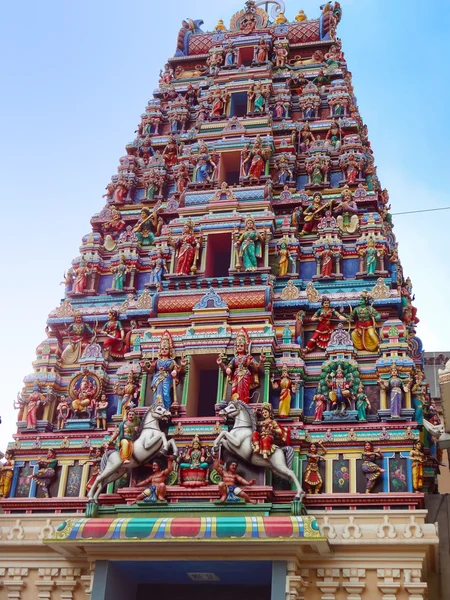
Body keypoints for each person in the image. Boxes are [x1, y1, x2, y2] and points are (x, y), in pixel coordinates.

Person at [140, 331, 186, 410]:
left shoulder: (172, 361)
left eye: (166, 348)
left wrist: (182, 364)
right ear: (160, 350)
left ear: (170, 350)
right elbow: (150, 371)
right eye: (162, 349)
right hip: (157, 378)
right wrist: (144, 366)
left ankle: (166, 409)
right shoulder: (157, 362)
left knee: (166, 394)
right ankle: (157, 408)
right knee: (157, 393)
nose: (164, 350)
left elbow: (178, 370)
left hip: (166, 378)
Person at [217, 328, 264, 404]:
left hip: (245, 376)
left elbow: (257, 369)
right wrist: (221, 364)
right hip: (236, 377)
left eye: (241, 345)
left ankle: (243, 405)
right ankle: (235, 404)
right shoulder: (234, 359)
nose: (239, 347)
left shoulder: (249, 357)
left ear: (245, 347)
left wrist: (261, 361)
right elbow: (227, 369)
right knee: (234, 391)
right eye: (238, 345)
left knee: (244, 392)